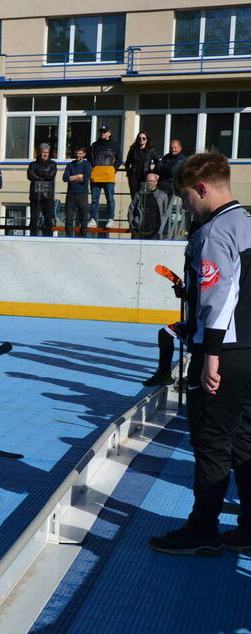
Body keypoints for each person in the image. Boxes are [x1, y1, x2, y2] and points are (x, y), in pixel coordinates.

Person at [150, 153, 251, 557]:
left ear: (203, 188)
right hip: (249, 350)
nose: (186, 205)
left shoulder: (213, 232)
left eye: (186, 196)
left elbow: (217, 295)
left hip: (224, 352)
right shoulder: (247, 221)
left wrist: (210, 352)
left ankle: (203, 529)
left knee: (211, 440)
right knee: (245, 440)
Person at [89, 125, 121, 228]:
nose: (102, 133)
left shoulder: (115, 145)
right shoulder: (95, 145)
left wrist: (113, 169)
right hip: (96, 176)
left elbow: (119, 159)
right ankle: (93, 219)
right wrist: (93, 169)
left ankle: (110, 219)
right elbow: (90, 159)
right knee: (94, 200)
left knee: (110, 198)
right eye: (101, 131)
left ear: (109, 133)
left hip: (109, 177)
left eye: (105, 131)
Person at [27, 143, 57, 237]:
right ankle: (33, 238)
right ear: (39, 153)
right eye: (43, 152)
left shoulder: (52, 164)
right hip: (35, 196)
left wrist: (39, 172)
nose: (45, 154)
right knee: (34, 220)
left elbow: (51, 176)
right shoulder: (33, 164)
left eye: (47, 152)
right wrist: (44, 175)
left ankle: (48, 239)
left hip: (48, 196)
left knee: (48, 220)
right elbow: (30, 176)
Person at [128, 173, 169, 240]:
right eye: (148, 181)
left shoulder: (162, 196)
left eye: (152, 181)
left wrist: (163, 229)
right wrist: (133, 226)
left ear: (156, 182)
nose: (150, 183)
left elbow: (165, 213)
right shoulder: (138, 195)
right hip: (139, 231)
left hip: (155, 232)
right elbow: (131, 210)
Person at [62, 147, 92, 238]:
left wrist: (72, 177)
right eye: (76, 153)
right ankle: (69, 237)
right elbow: (65, 178)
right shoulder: (70, 164)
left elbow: (85, 178)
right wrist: (78, 176)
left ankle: (83, 237)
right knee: (69, 218)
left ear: (84, 154)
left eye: (80, 153)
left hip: (82, 194)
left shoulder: (87, 164)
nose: (78, 155)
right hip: (70, 194)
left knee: (83, 217)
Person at [125, 131, 160, 198]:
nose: (141, 140)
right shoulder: (133, 149)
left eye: (143, 138)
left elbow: (158, 162)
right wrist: (129, 172)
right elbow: (127, 162)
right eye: (140, 138)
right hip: (134, 177)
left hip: (146, 176)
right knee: (134, 196)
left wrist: (153, 173)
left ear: (147, 139)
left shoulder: (151, 149)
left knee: (144, 196)